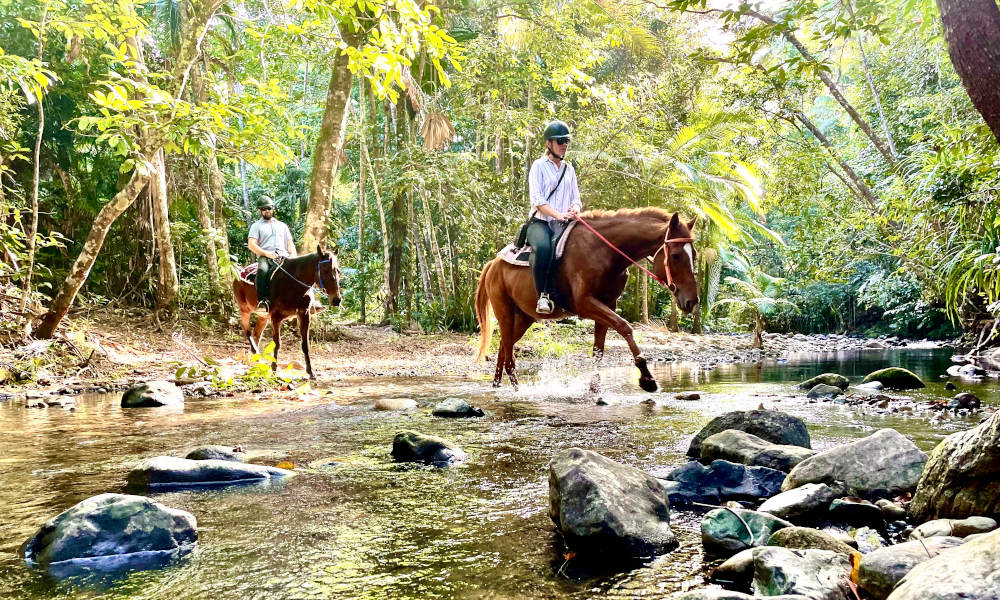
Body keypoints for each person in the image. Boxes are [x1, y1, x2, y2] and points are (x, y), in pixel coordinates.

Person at [526, 120, 581, 314]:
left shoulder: (569, 170)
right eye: (560, 141)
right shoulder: (538, 166)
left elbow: (576, 198)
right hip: (540, 222)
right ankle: (543, 295)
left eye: (566, 140)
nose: (564, 144)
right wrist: (559, 214)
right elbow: (538, 200)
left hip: (564, 222)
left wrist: (574, 209)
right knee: (544, 247)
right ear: (548, 143)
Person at [248, 196, 296, 310]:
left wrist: (293, 256)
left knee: (302, 270)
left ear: (273, 208)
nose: (267, 211)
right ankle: (262, 301)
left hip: (284, 256)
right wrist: (267, 254)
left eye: (269, 208)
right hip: (266, 256)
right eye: (264, 209)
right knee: (262, 271)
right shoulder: (256, 226)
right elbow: (251, 244)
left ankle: (311, 301)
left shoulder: (282, 226)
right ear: (260, 210)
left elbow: (290, 244)